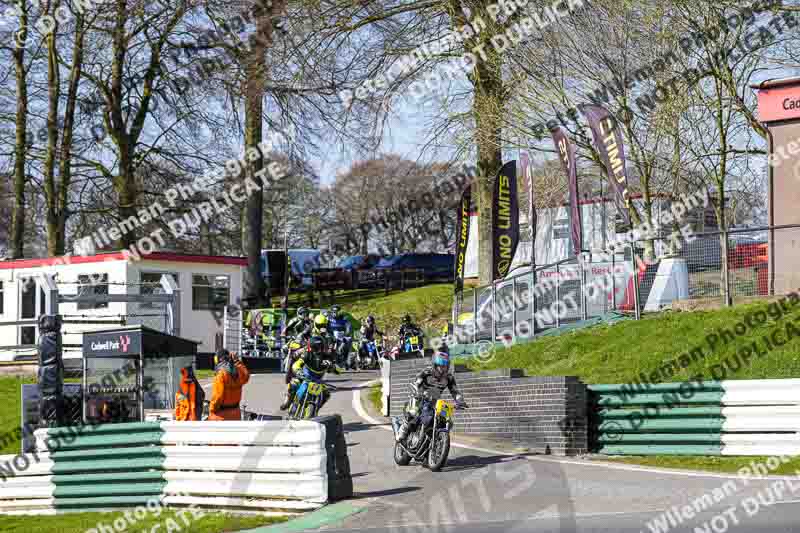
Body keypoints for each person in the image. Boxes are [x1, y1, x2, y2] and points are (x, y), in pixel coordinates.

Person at [396, 351, 465, 442]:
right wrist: (416, 387)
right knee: (413, 412)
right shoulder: (427, 372)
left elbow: (455, 391)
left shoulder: (449, 378)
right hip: (420, 396)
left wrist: (460, 401)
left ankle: (436, 441)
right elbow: (417, 380)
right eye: (441, 366)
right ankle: (403, 428)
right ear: (435, 365)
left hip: (434, 401)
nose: (443, 369)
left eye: (445, 366)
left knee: (446, 420)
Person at [280, 336, 341, 410]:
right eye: (315, 348)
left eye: (319, 348)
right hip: (305, 377)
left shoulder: (328, 357)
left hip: (318, 381)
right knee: (293, 384)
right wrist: (298, 371)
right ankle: (288, 401)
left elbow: (339, 370)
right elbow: (297, 364)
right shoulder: (307, 354)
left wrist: (332, 367)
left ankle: (316, 408)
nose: (317, 350)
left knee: (326, 394)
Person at [208, 349, 250, 421]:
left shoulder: (221, 374)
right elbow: (246, 376)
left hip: (221, 415)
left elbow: (218, 396)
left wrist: (211, 409)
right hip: (236, 413)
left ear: (219, 359)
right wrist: (237, 361)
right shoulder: (238, 370)